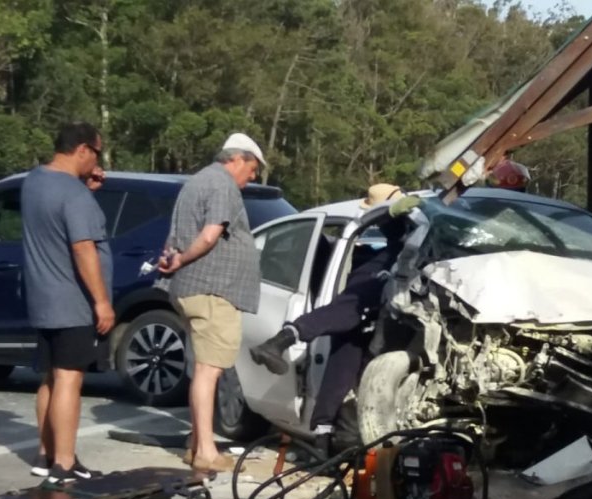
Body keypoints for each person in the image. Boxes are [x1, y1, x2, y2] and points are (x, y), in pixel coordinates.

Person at [249, 184, 421, 453]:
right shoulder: (404, 226)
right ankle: (322, 428)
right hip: (393, 269)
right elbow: (402, 209)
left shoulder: (400, 239)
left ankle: (322, 431)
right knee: (354, 309)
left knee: (350, 336)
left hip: (390, 284)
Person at [158, 132, 265, 473]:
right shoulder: (222, 184)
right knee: (208, 371)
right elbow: (209, 234)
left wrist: (172, 258)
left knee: (203, 368)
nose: (251, 179)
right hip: (212, 290)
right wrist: (181, 260)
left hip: (194, 289)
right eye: (252, 171)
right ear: (238, 159)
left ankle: (196, 444)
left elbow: (175, 236)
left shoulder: (196, 182)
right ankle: (206, 451)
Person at [21, 122, 112, 485]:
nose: (99, 162)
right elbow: (82, 246)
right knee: (70, 379)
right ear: (83, 150)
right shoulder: (74, 196)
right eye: (98, 154)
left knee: (50, 378)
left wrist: (85, 189)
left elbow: (54, 221)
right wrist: (102, 301)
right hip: (72, 301)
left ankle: (45, 455)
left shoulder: (34, 181)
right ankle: (64, 463)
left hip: (43, 298)